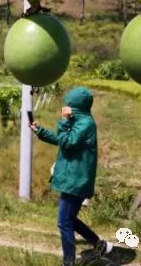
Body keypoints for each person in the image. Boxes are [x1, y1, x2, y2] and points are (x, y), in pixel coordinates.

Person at [30, 87, 112, 266]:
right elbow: (63, 140)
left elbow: (66, 141)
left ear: (74, 105)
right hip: (74, 180)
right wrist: (40, 131)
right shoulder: (80, 121)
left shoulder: (85, 124)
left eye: (68, 104)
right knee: (69, 219)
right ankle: (99, 244)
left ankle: (69, 262)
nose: (65, 107)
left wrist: (64, 120)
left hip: (76, 181)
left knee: (64, 223)